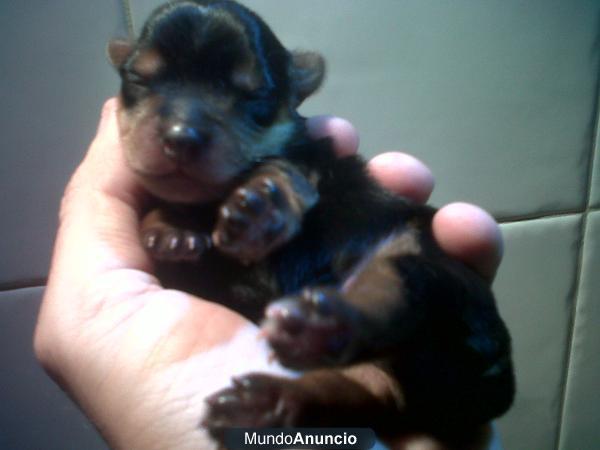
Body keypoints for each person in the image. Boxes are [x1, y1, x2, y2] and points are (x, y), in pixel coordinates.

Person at [34, 98, 503, 450]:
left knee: (411, 275)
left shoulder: (298, 175)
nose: (185, 128)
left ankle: (359, 332)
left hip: (434, 338)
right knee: (347, 401)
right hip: (385, 388)